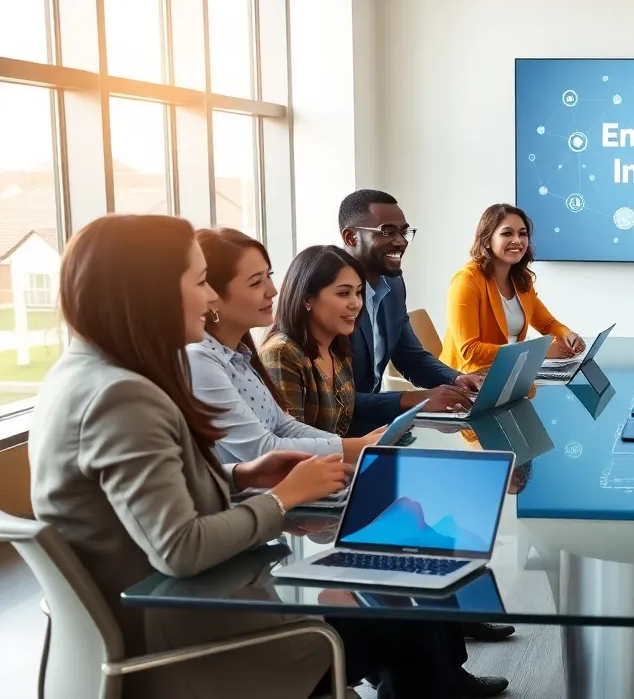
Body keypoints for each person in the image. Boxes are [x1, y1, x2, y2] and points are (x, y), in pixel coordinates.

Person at [26, 215, 507, 699]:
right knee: (397, 604)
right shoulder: (123, 396)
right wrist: (281, 500)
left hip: (168, 619)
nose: (210, 298)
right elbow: (180, 548)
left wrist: (240, 476)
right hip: (196, 643)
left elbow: (139, 504)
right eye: (199, 283)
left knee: (392, 584)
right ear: (147, 293)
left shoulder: (82, 376)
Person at [187, 229, 382, 464]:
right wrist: (356, 448)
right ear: (211, 294)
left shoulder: (239, 356)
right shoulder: (200, 360)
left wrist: (356, 447)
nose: (273, 291)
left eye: (268, 276)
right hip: (254, 498)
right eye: (256, 282)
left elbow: (284, 425)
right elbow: (262, 449)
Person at [338, 189, 482, 436]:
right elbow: (333, 400)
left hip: (374, 428)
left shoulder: (393, 286)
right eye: (387, 231)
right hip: (333, 438)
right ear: (351, 238)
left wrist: (457, 379)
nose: (401, 241)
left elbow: (410, 358)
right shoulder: (328, 298)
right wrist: (416, 399)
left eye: (403, 232)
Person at [441, 203, 584, 374]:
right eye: (507, 233)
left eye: (522, 233)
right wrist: (538, 353)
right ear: (486, 240)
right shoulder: (466, 280)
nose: (517, 240)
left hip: (506, 374)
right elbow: (470, 352)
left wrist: (568, 335)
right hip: (465, 379)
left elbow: (546, 323)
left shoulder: (521, 280)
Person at [260, 245, 366, 434]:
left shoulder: (338, 348)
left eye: (358, 292)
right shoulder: (281, 353)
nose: (356, 303)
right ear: (307, 298)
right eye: (343, 293)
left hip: (337, 460)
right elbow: (289, 439)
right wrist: (358, 447)